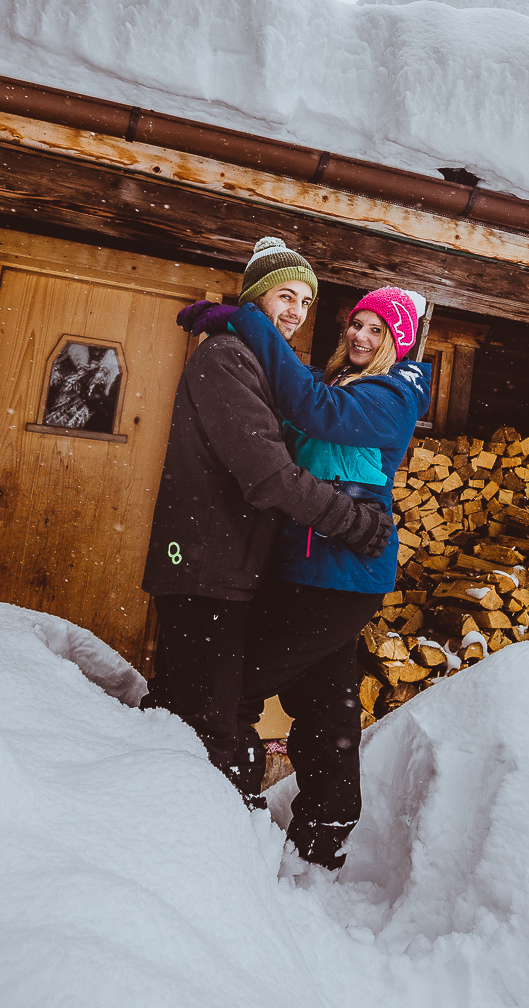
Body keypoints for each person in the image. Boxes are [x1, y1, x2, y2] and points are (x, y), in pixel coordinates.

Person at [141, 238, 392, 799]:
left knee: (204, 710)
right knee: (206, 723)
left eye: (306, 301)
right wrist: (353, 522)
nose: (297, 311)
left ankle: (207, 826)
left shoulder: (258, 362)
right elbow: (271, 475)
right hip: (205, 567)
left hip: (230, 566)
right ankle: (192, 834)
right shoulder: (227, 358)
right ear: (255, 297)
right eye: (287, 295)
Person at [194, 284, 432, 869]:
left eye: (379, 330)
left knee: (238, 685)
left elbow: (312, 412)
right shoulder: (337, 386)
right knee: (327, 703)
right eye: (357, 323)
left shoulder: (393, 393)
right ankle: (325, 827)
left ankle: (223, 801)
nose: (361, 336)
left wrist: (253, 324)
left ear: (396, 345)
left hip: (345, 573)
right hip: (310, 567)